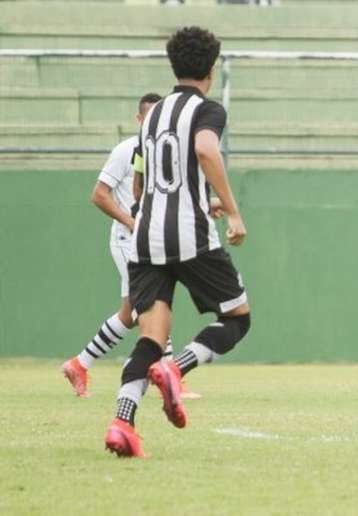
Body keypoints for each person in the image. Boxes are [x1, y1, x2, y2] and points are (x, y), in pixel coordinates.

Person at [104, 26, 250, 457]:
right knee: (237, 319)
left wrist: (195, 199)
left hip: (145, 235)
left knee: (149, 338)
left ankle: (122, 424)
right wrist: (232, 209)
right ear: (210, 68)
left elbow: (143, 184)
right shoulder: (208, 110)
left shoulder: (151, 117)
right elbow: (205, 150)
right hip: (189, 235)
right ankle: (177, 367)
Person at [61, 93, 168, 398]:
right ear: (139, 120)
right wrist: (129, 221)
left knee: (128, 314)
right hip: (127, 240)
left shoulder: (160, 152)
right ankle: (172, 377)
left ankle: (79, 364)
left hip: (147, 241)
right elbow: (99, 194)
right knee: (154, 305)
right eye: (147, 117)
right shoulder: (126, 151)